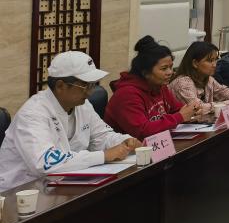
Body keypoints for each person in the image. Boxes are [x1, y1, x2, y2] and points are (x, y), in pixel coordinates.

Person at [0, 51, 142, 192]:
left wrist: (124, 142)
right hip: (21, 193)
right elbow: (45, 163)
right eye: (85, 86)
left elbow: (101, 136)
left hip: (62, 186)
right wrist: (103, 156)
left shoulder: (82, 105)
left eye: (92, 85)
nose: (90, 92)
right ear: (60, 86)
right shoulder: (32, 114)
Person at [106, 37, 203, 139]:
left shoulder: (160, 86)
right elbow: (142, 131)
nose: (170, 72)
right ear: (145, 73)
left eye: (171, 67)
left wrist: (192, 112)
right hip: (131, 147)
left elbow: (176, 110)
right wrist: (180, 117)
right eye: (164, 68)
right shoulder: (126, 95)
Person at [169, 41, 229, 118]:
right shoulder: (183, 83)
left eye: (215, 59)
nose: (214, 65)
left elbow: (225, 92)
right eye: (210, 61)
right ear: (195, 63)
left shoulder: (208, 79)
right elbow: (198, 108)